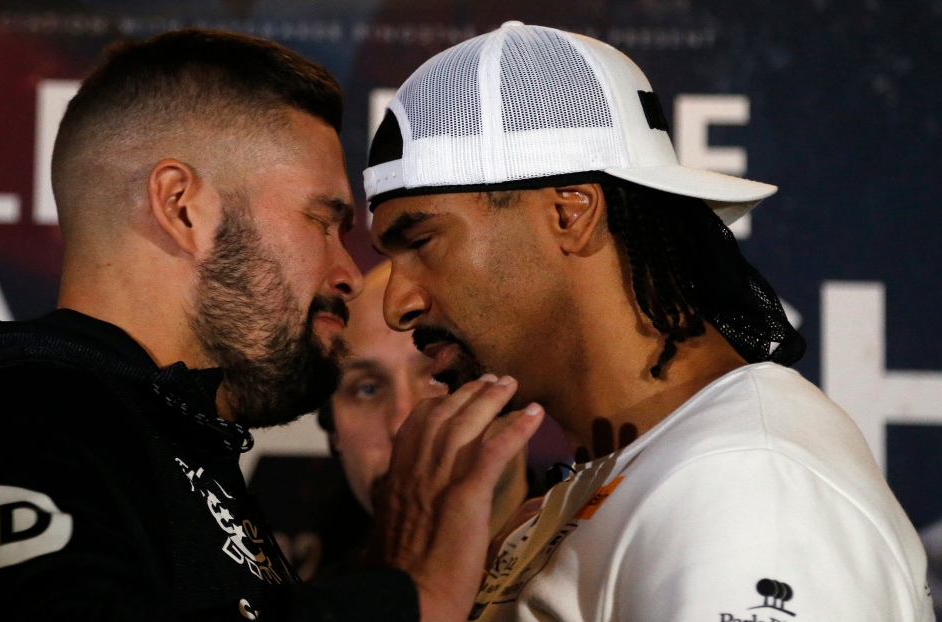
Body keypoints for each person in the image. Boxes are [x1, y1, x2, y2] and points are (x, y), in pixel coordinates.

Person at [0, 29, 541, 621]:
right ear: (182, 207)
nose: (348, 274)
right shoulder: (16, 418)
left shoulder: (150, 433)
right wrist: (405, 597)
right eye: (321, 223)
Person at [365, 22, 934, 621]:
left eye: (422, 241)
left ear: (570, 213)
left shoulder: (741, 484)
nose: (396, 303)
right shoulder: (643, 478)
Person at [317, 261, 543, 561]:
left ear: (517, 388)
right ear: (333, 432)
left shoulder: (603, 559)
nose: (402, 423)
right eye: (367, 389)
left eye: (439, 375)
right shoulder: (305, 603)